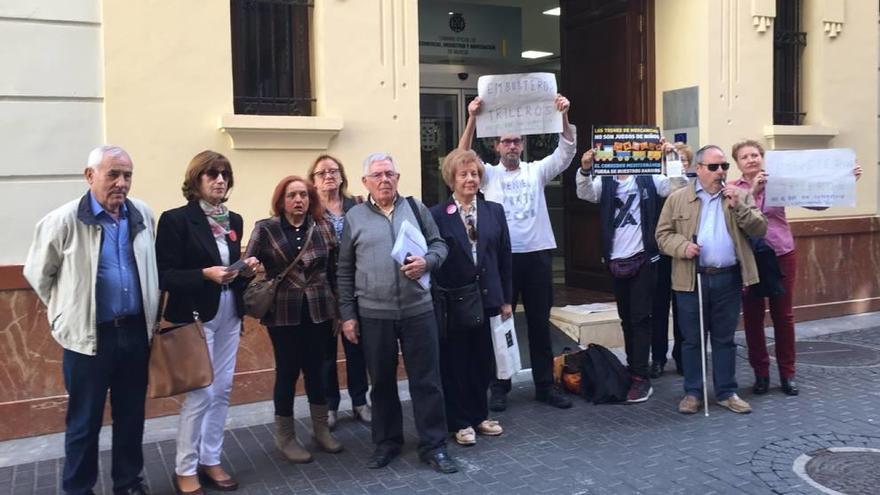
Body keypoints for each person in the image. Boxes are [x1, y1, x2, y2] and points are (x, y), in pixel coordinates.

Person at [24, 145, 158, 495]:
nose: (121, 182)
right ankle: (78, 489)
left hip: (133, 333)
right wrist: (64, 316)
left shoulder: (142, 214)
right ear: (90, 176)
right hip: (89, 340)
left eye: (127, 175)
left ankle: (128, 483)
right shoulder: (63, 220)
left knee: (131, 418)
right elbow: (39, 275)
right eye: (112, 174)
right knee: (84, 423)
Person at [337, 153, 457, 473]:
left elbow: (439, 245)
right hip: (374, 314)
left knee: (427, 381)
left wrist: (427, 262)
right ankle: (387, 442)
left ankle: (434, 445)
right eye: (377, 175)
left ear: (398, 177)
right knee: (382, 382)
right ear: (365, 182)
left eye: (389, 173)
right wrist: (348, 314)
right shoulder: (354, 218)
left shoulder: (416, 209)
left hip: (418, 310)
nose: (384, 180)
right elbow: (344, 269)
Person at [459, 94, 576, 411]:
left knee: (539, 324)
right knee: (500, 325)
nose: (511, 146)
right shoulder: (488, 176)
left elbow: (566, 151)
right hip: (500, 260)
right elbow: (462, 156)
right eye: (506, 141)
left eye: (517, 141)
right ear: (496, 146)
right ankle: (499, 386)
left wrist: (563, 115)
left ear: (523, 145)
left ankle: (544, 386)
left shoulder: (536, 171)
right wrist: (472, 118)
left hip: (537, 256)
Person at [156, 151, 259, 494]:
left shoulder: (235, 220)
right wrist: (204, 274)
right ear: (196, 179)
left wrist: (247, 272)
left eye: (225, 174)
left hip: (229, 312)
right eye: (212, 174)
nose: (219, 180)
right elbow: (166, 275)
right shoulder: (176, 220)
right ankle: (185, 468)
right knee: (202, 393)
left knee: (223, 389)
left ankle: (210, 459)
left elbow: (231, 274)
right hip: (195, 319)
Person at [731, 140, 862, 396]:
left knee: (783, 315)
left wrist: (846, 181)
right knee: (753, 316)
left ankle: (787, 374)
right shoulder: (734, 189)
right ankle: (761, 374)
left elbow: (816, 201)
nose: (751, 159)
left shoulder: (779, 181)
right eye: (745, 156)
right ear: (737, 163)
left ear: (762, 157)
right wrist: (755, 192)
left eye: (755, 155)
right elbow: (743, 220)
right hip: (750, 258)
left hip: (781, 253)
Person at [655, 144, 767, 415]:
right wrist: (683, 247)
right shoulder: (678, 198)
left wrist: (739, 206)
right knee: (692, 340)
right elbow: (662, 235)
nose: (720, 172)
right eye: (714, 167)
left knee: (724, 339)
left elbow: (759, 229)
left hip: (727, 278)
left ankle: (727, 392)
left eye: (724, 167)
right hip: (690, 279)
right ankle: (693, 392)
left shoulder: (739, 195)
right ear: (699, 169)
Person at [245, 175, 343, 463]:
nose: (298, 200)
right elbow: (249, 263)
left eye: (302, 194)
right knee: (287, 372)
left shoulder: (322, 226)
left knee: (318, 370)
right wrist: (248, 267)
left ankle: (321, 430)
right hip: (283, 313)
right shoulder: (266, 228)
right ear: (281, 200)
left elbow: (335, 270)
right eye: (291, 195)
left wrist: (339, 310)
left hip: (319, 310)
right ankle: (285, 437)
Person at [576, 147, 685, 402]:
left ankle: (640, 376)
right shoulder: (604, 181)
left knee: (640, 318)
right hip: (616, 259)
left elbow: (678, 187)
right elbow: (584, 193)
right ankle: (635, 368)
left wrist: (672, 159)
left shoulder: (649, 177)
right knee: (626, 318)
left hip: (644, 258)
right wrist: (584, 168)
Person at [429, 148, 512, 445]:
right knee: (456, 363)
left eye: (474, 174)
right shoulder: (437, 215)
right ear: (452, 179)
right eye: (463, 174)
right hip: (454, 301)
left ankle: (480, 416)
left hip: (488, 297)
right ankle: (459, 422)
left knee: (482, 362)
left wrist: (506, 300)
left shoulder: (494, 211)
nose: (470, 179)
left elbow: (504, 258)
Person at [308, 155, 372, 429]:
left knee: (356, 347)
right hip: (321, 291)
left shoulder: (356, 206)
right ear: (313, 180)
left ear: (342, 176)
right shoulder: (309, 211)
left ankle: (360, 401)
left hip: (354, 287)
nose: (328, 177)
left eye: (333, 171)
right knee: (324, 353)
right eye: (321, 173)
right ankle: (330, 406)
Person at [652, 142, 693, 377]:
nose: (680, 164)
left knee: (681, 309)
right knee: (658, 308)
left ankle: (681, 356)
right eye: (675, 160)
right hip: (660, 254)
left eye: (684, 161)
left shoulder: (691, 186)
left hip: (683, 255)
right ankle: (658, 357)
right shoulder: (660, 185)